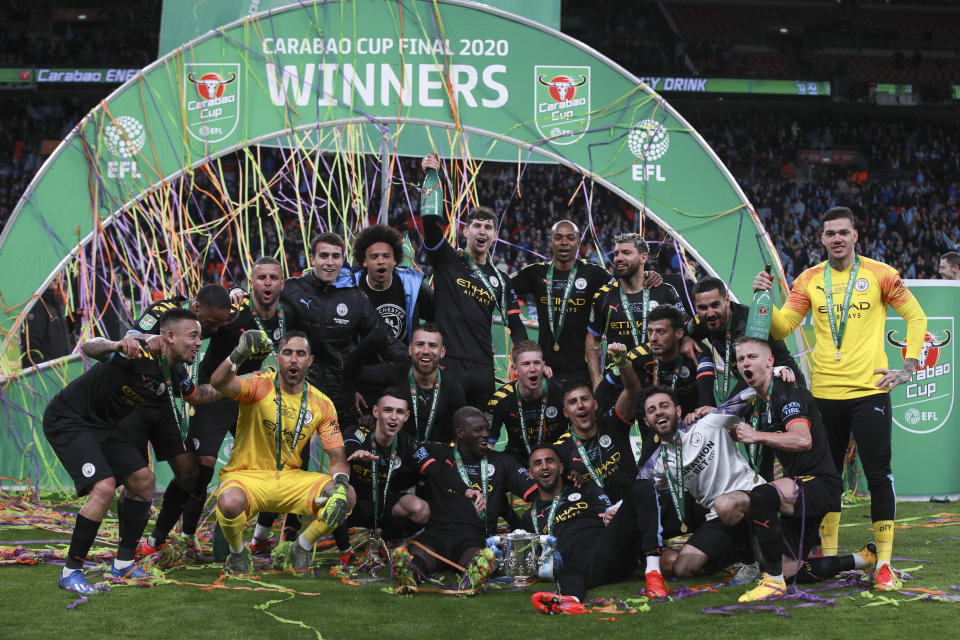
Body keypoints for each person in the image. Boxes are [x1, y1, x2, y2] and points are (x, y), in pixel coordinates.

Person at [753, 206, 927, 591]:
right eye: (829, 233)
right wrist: (764, 298)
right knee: (823, 479)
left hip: (870, 392)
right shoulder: (810, 279)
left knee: (879, 477)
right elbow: (783, 325)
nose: (836, 239)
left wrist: (909, 367)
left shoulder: (881, 274)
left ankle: (883, 565)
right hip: (824, 396)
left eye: (843, 232)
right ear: (821, 239)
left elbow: (917, 318)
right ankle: (827, 556)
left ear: (855, 236)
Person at [43, 309, 219, 594]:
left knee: (143, 482)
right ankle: (71, 571)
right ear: (170, 336)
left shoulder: (174, 369)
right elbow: (89, 346)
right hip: (70, 419)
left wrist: (239, 383)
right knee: (104, 487)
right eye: (193, 335)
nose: (200, 342)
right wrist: (117, 344)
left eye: (200, 336)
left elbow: (197, 394)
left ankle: (123, 564)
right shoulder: (137, 353)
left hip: (105, 426)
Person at [141, 258, 290, 556]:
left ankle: (261, 538)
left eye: (274, 278)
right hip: (214, 393)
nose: (268, 284)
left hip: (249, 398)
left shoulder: (289, 313)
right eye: (261, 277)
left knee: (276, 462)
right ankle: (173, 537)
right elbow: (194, 321)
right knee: (200, 470)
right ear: (251, 283)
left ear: (282, 284)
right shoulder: (233, 312)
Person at [719, 337, 875, 602]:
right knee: (792, 570)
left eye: (752, 357)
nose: (745, 362)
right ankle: (861, 559)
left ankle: (772, 582)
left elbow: (803, 439)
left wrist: (756, 435)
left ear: (770, 362)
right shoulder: (759, 397)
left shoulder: (786, 392)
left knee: (761, 496)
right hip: (800, 486)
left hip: (819, 483)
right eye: (741, 359)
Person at [209, 330, 356, 574]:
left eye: (301, 354)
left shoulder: (322, 403)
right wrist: (239, 353)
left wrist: (340, 485)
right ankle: (237, 554)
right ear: (278, 358)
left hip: (290, 480)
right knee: (229, 501)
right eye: (287, 353)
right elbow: (219, 383)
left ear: (310, 361)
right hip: (247, 477)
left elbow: (338, 457)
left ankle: (301, 546)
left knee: (346, 496)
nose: (294, 360)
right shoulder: (258, 385)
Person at [419, 153, 528, 408]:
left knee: (478, 439)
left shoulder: (501, 279)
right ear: (465, 231)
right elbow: (429, 221)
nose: (482, 231)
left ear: (494, 235)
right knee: (444, 435)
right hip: (448, 364)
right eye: (476, 225)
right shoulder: (447, 260)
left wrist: (528, 358)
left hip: (482, 368)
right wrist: (431, 176)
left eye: (488, 227)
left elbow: (515, 322)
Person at [391, 406, 536, 593]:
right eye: (478, 430)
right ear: (460, 433)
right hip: (438, 533)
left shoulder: (502, 462)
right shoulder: (439, 454)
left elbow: (535, 493)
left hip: (475, 535)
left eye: (486, 428)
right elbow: (403, 445)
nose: (486, 435)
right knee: (420, 557)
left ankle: (475, 574)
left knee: (477, 560)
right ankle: (408, 572)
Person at [123, 284, 235, 524]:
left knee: (190, 473)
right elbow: (129, 338)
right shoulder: (162, 311)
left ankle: (160, 537)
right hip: (136, 403)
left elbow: (195, 394)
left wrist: (238, 290)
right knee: (137, 481)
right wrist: (149, 337)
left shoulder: (207, 324)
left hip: (166, 403)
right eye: (211, 323)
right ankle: (127, 545)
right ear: (196, 307)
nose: (213, 331)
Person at [639, 386, 762, 580]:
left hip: (753, 497)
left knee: (726, 504)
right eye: (652, 410)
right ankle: (738, 557)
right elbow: (638, 492)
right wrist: (614, 510)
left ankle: (752, 559)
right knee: (682, 568)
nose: (659, 412)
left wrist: (780, 370)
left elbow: (746, 396)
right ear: (647, 422)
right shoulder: (657, 462)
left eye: (664, 406)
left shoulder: (708, 423)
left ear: (678, 411)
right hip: (719, 516)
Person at [527, 444, 666, 614]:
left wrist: (611, 513)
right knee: (569, 572)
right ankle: (570, 601)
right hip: (580, 564)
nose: (544, 466)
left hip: (609, 546)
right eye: (538, 463)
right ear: (531, 473)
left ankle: (653, 573)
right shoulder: (530, 515)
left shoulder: (586, 489)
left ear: (561, 467)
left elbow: (609, 511)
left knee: (642, 486)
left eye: (550, 461)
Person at [595, 304, 714, 465]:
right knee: (645, 471)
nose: (653, 338)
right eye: (650, 331)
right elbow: (604, 390)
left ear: (679, 333)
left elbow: (706, 394)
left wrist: (701, 417)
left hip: (693, 422)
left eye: (661, 331)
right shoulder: (637, 356)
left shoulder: (696, 351)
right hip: (656, 426)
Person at [509, 220, 612, 381]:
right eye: (558, 238)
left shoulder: (594, 274)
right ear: (551, 242)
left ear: (578, 243)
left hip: (582, 371)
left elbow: (625, 288)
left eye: (570, 238)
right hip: (545, 371)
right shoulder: (535, 273)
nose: (564, 242)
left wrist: (646, 276)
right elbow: (499, 285)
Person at [684, 276, 803, 405]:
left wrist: (724, 410)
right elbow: (680, 332)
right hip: (754, 386)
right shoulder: (702, 321)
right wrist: (686, 339)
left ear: (727, 300)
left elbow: (750, 375)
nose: (710, 313)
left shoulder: (748, 326)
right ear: (695, 307)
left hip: (785, 384)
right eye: (703, 308)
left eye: (715, 305)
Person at [586, 233, 683, 389]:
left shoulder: (665, 291)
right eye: (616, 253)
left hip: (659, 382)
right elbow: (593, 339)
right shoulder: (602, 296)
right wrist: (597, 381)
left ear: (643, 257)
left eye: (626, 252)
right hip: (617, 384)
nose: (618, 258)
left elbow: (683, 330)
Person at [553, 343, 642, 503]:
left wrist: (622, 363)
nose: (580, 405)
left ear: (595, 404)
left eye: (585, 399)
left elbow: (633, 392)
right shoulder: (560, 450)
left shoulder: (612, 424)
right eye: (573, 402)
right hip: (595, 518)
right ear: (565, 413)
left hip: (633, 505)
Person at [339, 389, 432, 541]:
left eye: (400, 412)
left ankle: (386, 542)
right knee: (342, 493)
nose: (394, 417)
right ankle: (344, 546)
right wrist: (358, 451)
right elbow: (350, 443)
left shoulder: (407, 442)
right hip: (352, 503)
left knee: (420, 509)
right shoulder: (359, 431)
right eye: (388, 410)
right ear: (376, 411)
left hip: (383, 504)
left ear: (406, 416)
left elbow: (432, 467)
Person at [355, 323, 466, 444]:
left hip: (433, 455)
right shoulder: (394, 372)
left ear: (442, 351)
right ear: (410, 349)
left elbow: (457, 433)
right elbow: (353, 372)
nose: (425, 351)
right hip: (396, 453)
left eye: (432, 346)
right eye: (420, 344)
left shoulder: (453, 387)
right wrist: (370, 340)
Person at [487, 341, 569, 466]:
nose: (532, 369)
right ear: (515, 369)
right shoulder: (499, 400)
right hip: (518, 460)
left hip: (556, 458)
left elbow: (579, 431)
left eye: (536, 363)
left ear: (543, 366)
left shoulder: (562, 392)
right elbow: (488, 444)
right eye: (526, 364)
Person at [351, 223, 434, 344]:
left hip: (404, 361)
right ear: (364, 261)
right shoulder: (351, 286)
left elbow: (440, 314)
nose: (381, 261)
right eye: (374, 257)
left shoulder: (413, 285)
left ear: (395, 260)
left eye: (386, 256)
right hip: (364, 362)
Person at [20, 281, 73, 369]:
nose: (56, 278)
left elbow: (58, 332)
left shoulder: (56, 300)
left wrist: (74, 318)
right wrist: (36, 371)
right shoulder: (37, 304)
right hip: (47, 371)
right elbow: (32, 341)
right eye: (53, 276)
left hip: (61, 368)